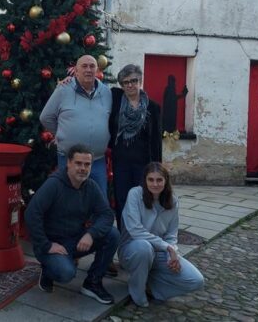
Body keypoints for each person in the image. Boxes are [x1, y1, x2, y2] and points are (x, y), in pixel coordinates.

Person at [25, 144, 120, 304]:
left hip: (76, 239)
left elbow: (106, 214)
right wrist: (46, 245)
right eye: (78, 163)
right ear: (68, 163)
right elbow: (31, 214)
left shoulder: (90, 186)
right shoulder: (54, 184)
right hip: (52, 244)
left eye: (87, 164)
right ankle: (48, 271)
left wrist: (91, 234)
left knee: (113, 235)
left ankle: (93, 283)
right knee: (66, 273)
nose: (83, 168)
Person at [117, 162, 204, 307]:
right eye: (151, 179)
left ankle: (151, 285)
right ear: (145, 181)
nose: (155, 184)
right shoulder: (135, 194)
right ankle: (137, 291)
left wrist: (172, 253)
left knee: (196, 280)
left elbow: (171, 234)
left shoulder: (173, 201)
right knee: (144, 247)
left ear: (166, 181)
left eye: (159, 180)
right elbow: (135, 231)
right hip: (132, 250)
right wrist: (168, 247)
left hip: (160, 252)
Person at [40, 55, 112, 199]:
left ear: (97, 70)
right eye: (84, 66)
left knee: (99, 201)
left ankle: (98, 223)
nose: (88, 70)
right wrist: (60, 133)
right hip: (69, 160)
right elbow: (45, 117)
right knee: (68, 201)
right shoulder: (63, 90)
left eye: (92, 66)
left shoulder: (106, 92)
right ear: (76, 71)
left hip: (96, 161)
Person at [109, 64, 162, 229]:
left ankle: (141, 234)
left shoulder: (153, 107)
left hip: (143, 163)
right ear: (121, 85)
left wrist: (157, 166)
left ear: (140, 81)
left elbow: (156, 140)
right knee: (122, 199)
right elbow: (93, 85)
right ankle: (124, 235)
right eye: (125, 82)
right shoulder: (116, 100)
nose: (130, 85)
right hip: (121, 162)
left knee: (142, 200)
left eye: (133, 80)